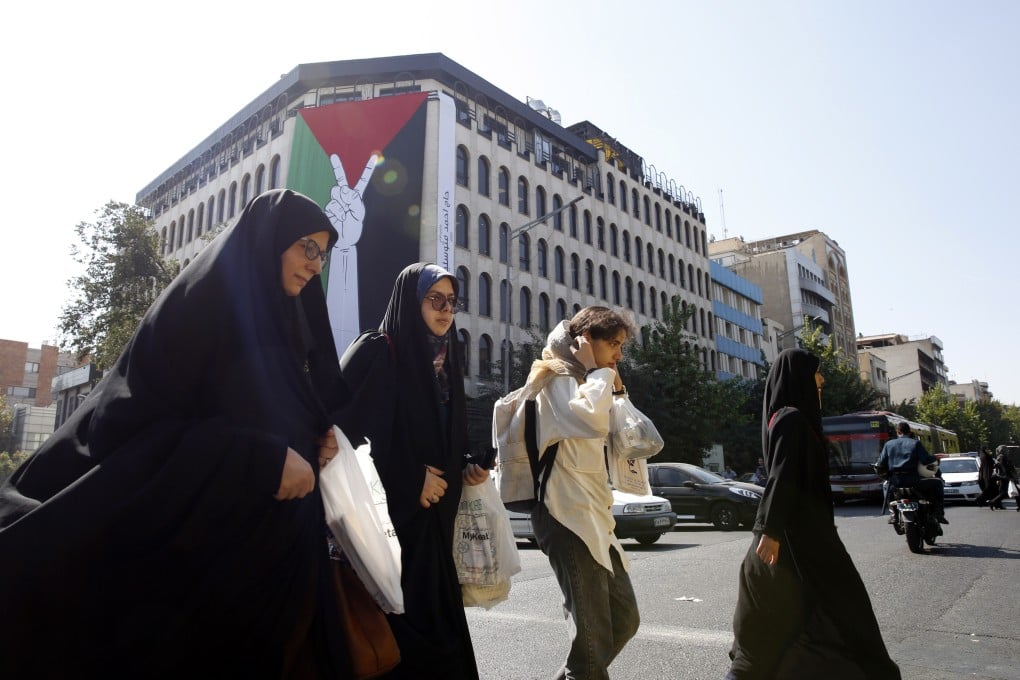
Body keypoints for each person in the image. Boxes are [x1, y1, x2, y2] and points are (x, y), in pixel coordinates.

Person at [0, 189, 356, 677]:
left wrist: (317, 436)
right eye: (306, 248)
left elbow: (281, 407)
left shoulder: (284, 324)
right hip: (203, 573)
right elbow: (142, 426)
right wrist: (259, 457)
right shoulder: (201, 310)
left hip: (273, 568)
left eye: (324, 252)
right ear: (269, 241)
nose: (316, 265)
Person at [336, 262, 489, 679]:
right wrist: (409, 477)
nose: (444, 310)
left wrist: (464, 466)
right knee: (395, 646)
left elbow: (440, 439)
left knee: (440, 643)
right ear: (410, 299)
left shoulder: (445, 360)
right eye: (434, 299)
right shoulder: (376, 350)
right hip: (387, 532)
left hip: (433, 526)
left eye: (451, 302)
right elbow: (339, 439)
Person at [727, 348, 901, 680]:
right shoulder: (791, 419)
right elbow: (783, 475)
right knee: (772, 646)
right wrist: (771, 530)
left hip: (801, 546)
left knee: (778, 643)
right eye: (816, 373)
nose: (821, 379)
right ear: (799, 377)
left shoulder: (788, 418)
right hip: (794, 549)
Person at [517, 306, 641, 680]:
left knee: (624, 619)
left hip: (595, 517)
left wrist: (615, 387)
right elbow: (585, 419)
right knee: (591, 642)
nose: (619, 355)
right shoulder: (555, 376)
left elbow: (628, 436)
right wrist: (602, 374)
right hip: (565, 515)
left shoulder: (591, 378)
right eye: (614, 344)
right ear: (586, 341)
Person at [875, 422, 948, 524]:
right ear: (909, 432)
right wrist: (935, 457)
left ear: (898, 432)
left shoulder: (889, 444)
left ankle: (894, 515)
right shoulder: (915, 443)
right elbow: (925, 460)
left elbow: (881, 464)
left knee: (886, 487)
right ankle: (938, 513)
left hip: (896, 482)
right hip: (914, 481)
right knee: (938, 483)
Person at [987, 447, 1019, 511]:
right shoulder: (1002, 457)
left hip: (1004, 477)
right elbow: (1004, 469)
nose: (1007, 451)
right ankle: (992, 502)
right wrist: (1010, 478)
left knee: (1004, 493)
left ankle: (993, 502)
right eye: (1006, 450)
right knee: (1016, 491)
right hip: (1007, 477)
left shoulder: (1000, 457)